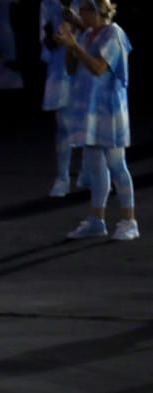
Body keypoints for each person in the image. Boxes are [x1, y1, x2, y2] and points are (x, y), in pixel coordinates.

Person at [60, 0, 137, 241]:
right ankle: (96, 220)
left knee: (116, 164)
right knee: (94, 166)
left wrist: (77, 46)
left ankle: (129, 220)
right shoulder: (88, 35)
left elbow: (98, 68)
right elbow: (72, 69)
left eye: (88, 9)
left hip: (110, 110)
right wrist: (68, 45)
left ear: (101, 10)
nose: (82, 13)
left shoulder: (114, 33)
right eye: (81, 9)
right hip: (89, 110)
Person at [42, 0, 84, 197]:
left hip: (86, 65)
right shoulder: (48, 3)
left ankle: (89, 172)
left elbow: (101, 29)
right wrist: (55, 39)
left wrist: (75, 23)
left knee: (87, 122)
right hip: (60, 69)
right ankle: (62, 177)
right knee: (63, 124)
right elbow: (44, 37)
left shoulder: (86, 2)